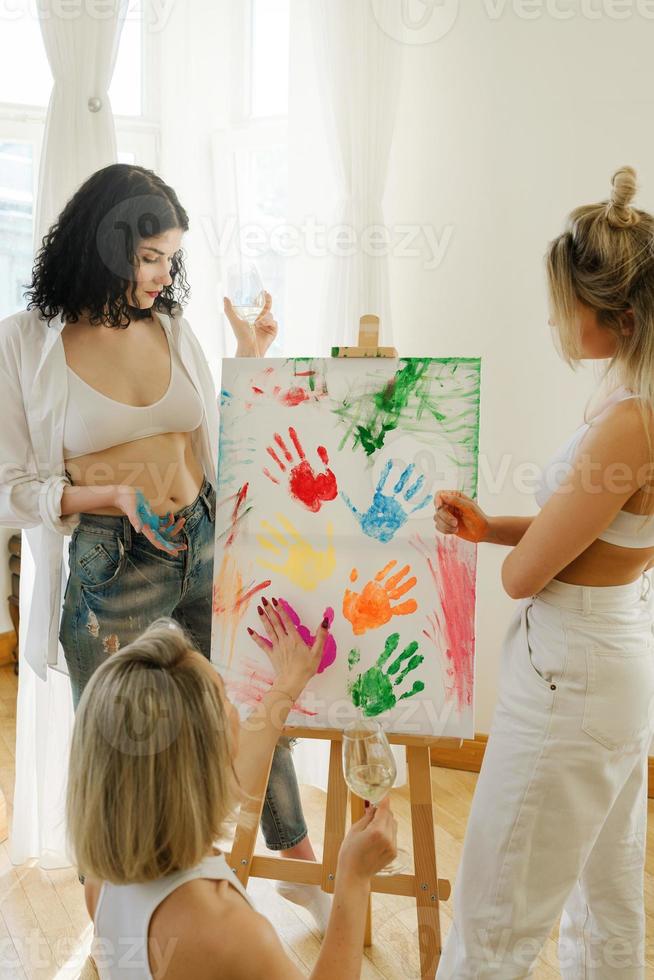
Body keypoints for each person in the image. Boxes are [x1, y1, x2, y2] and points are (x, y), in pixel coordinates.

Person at [0, 162, 326, 928]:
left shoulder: (172, 327)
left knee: (246, 696)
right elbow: (11, 486)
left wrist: (250, 357)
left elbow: (214, 440)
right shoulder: (27, 343)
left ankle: (296, 863)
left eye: (172, 258)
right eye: (150, 257)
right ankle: (111, 928)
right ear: (103, 245)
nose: (162, 275)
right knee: (118, 746)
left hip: (203, 541)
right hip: (115, 568)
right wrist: (109, 496)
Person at [434, 166, 654, 979]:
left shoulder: (633, 420)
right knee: (607, 903)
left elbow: (527, 576)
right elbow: (594, 536)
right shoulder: (630, 389)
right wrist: (493, 527)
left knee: (496, 911)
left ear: (619, 317)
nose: (561, 317)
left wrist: (507, 553)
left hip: (576, 672)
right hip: (606, 655)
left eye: (572, 303)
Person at [67, 605, 397, 980]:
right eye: (222, 696)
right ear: (206, 762)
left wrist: (288, 683)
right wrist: (353, 881)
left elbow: (236, 771)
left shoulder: (103, 879)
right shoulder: (229, 932)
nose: (237, 710)